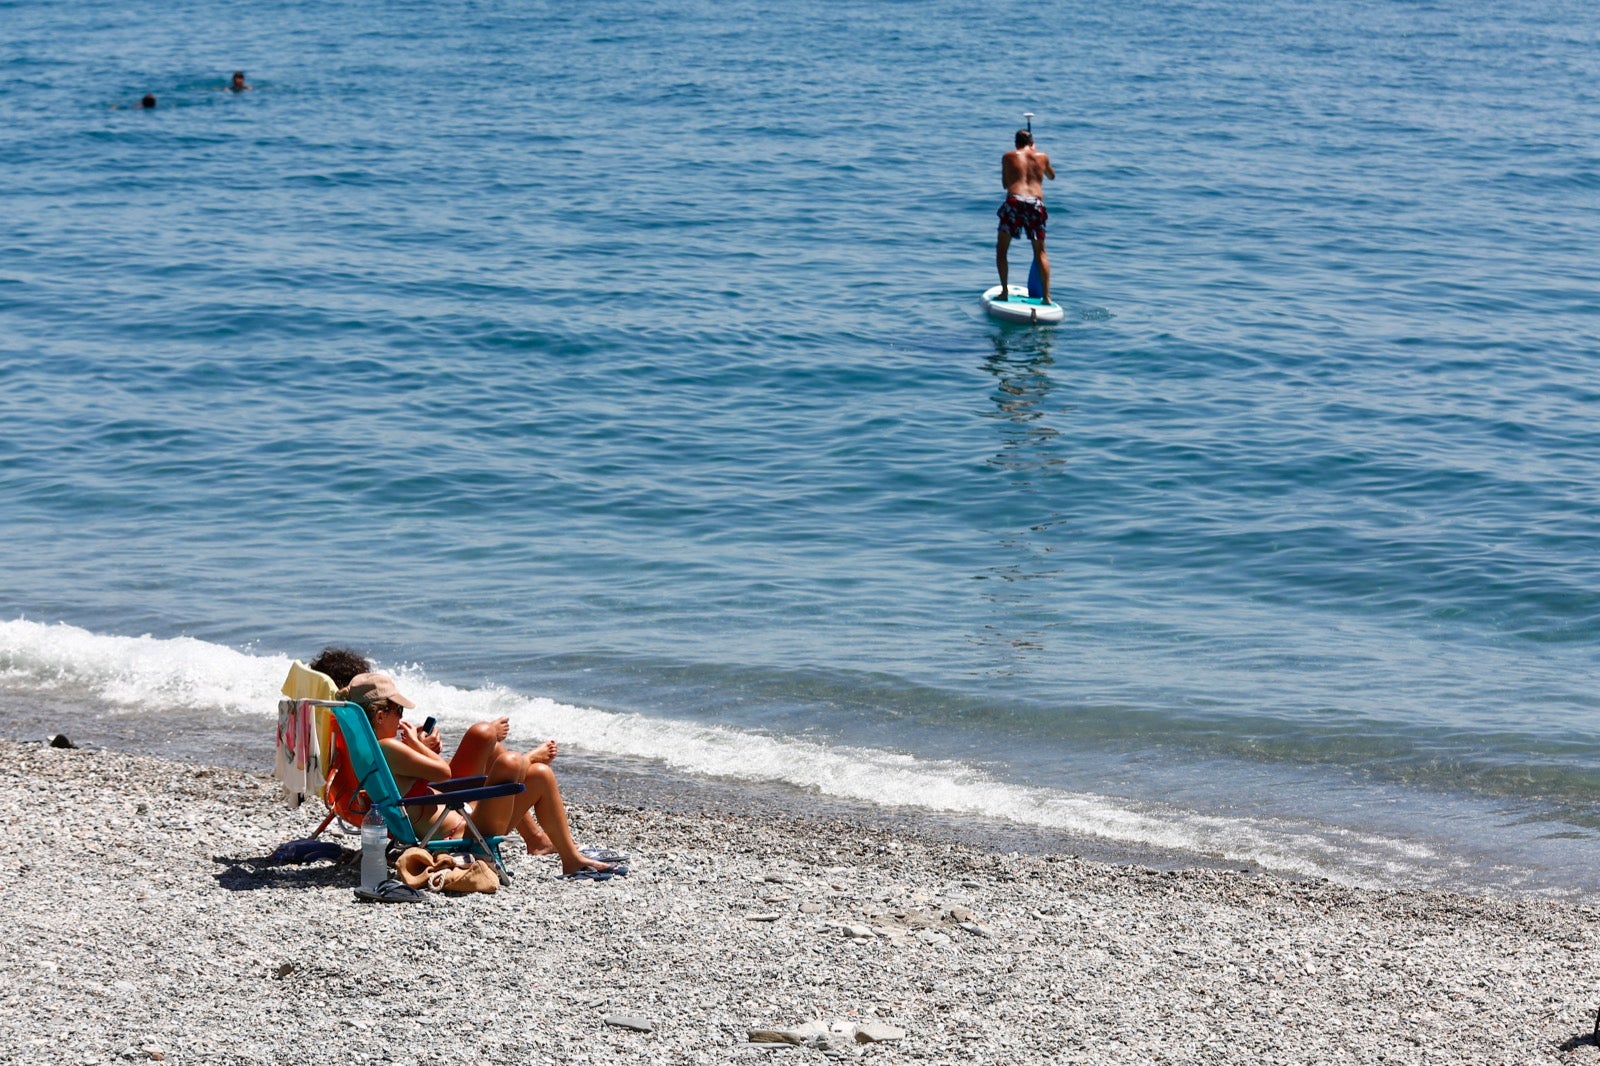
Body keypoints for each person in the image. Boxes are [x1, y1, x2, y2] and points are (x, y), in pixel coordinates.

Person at [995, 129, 1056, 305]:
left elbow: (1005, 184)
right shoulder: (1042, 157)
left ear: (1016, 143)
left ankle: (1004, 292)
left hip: (1015, 202)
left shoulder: (1008, 157)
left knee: (1002, 250)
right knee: (1040, 252)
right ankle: (1046, 297)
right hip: (1035, 204)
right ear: (1032, 142)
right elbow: (1051, 176)